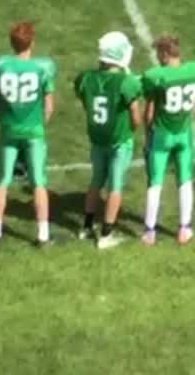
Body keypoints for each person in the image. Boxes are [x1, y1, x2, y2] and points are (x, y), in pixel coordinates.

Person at [0, 21, 57, 246]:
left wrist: (4, 122)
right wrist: (40, 124)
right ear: (32, 42)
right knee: (38, 182)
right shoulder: (42, 68)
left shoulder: (1, 68)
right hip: (34, 132)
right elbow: (49, 106)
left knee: (3, 180)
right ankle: (43, 234)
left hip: (8, 130)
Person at [75, 31, 144, 249]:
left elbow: (86, 100)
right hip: (118, 141)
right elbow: (135, 116)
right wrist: (133, 129)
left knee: (96, 182)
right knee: (115, 187)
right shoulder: (127, 83)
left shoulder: (86, 78)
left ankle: (86, 227)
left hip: (97, 139)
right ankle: (106, 234)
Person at [141, 35, 195, 246]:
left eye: (158, 54)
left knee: (155, 182)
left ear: (165, 54)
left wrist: (147, 134)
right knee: (185, 180)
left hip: (162, 134)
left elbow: (149, 111)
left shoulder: (157, 75)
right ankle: (184, 229)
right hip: (184, 133)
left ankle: (150, 232)